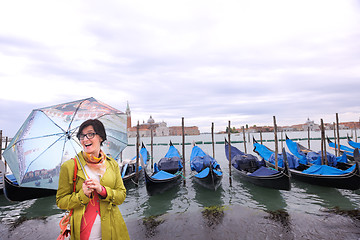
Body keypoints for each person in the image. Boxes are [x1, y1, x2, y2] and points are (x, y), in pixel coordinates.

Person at [56, 119, 130, 240]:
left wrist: (103, 190)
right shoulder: (69, 167)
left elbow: (121, 196)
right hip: (83, 233)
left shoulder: (112, 165)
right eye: (82, 136)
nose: (85, 139)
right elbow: (61, 201)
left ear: (100, 137)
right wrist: (82, 194)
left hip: (113, 230)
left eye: (90, 134)